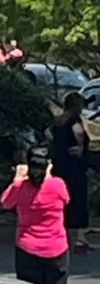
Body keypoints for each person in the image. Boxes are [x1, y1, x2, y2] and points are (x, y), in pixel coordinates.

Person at [1, 146, 72, 284]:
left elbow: (5, 203)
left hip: (28, 248)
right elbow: (66, 200)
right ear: (48, 164)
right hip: (57, 248)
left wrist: (17, 178)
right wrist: (47, 176)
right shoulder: (57, 185)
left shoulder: (21, 188)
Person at [47, 91, 92, 252]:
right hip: (75, 167)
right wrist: (81, 148)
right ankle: (80, 237)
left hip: (60, 166)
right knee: (79, 200)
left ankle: (62, 235)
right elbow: (79, 133)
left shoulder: (58, 122)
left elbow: (49, 138)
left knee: (61, 201)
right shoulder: (74, 121)